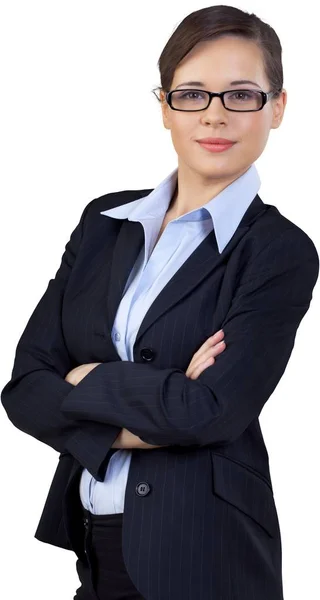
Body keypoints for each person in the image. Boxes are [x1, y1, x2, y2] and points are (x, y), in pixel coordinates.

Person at [1, 4, 319, 600]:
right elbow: (24, 391)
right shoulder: (103, 221)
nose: (216, 115)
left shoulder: (280, 251)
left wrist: (87, 378)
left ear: (277, 108)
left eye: (242, 95)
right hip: (97, 548)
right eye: (193, 94)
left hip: (208, 554)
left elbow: (212, 413)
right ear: (165, 107)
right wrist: (161, 404)